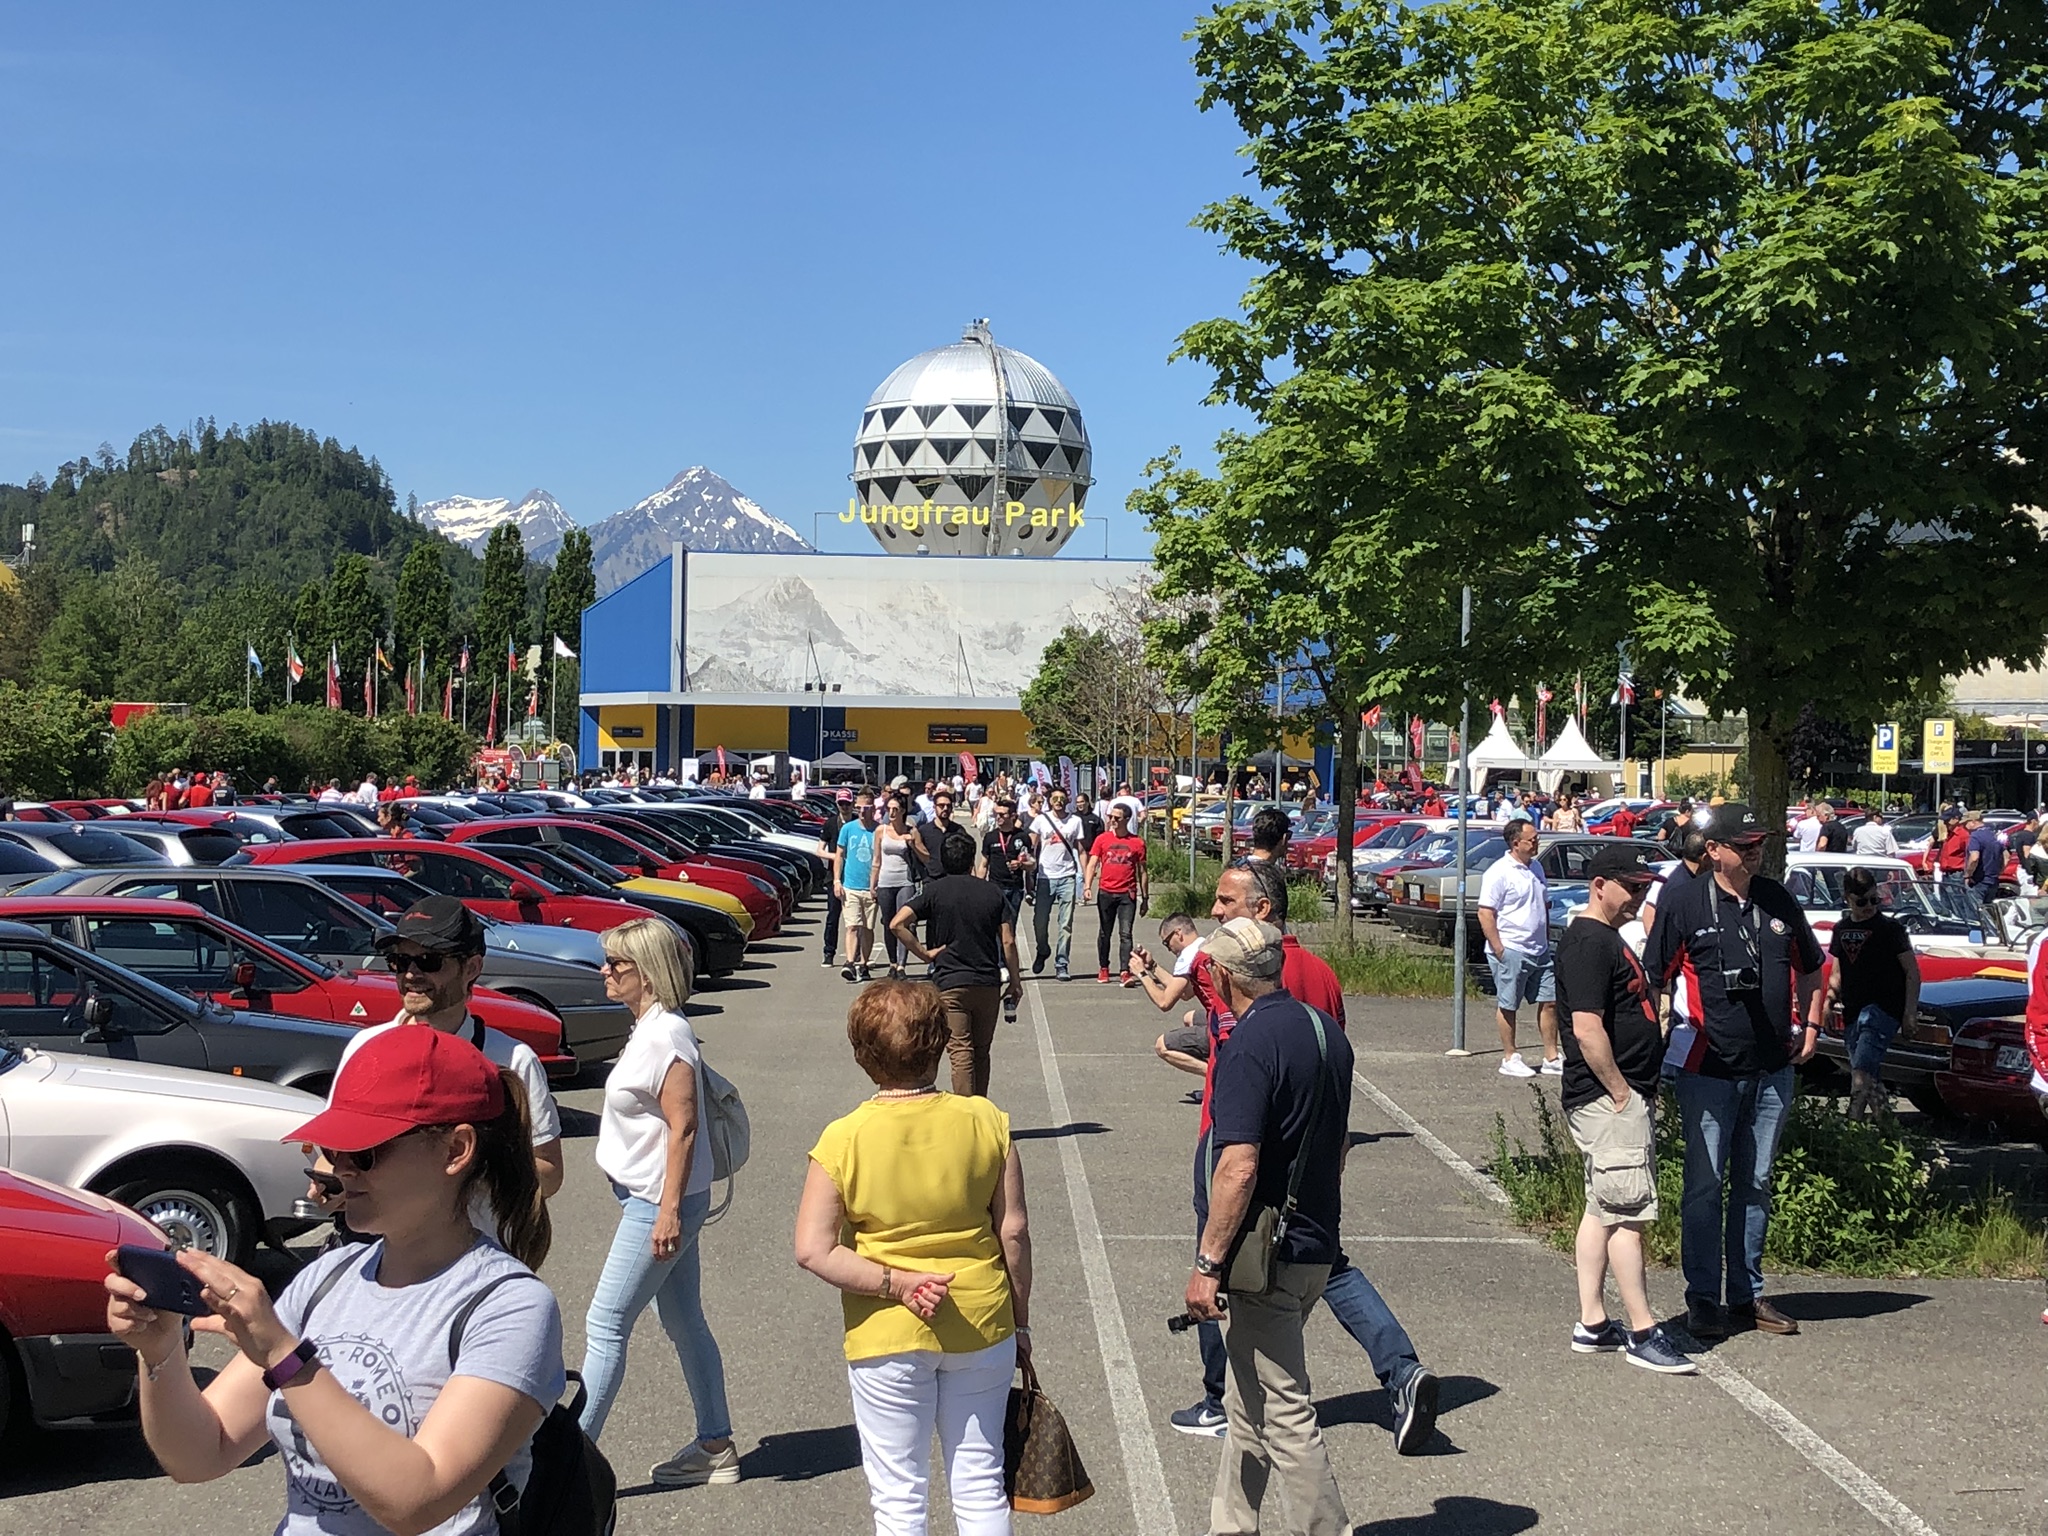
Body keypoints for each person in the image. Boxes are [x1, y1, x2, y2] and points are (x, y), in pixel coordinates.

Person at [106, 1025, 563, 1536]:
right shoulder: (327, 1277)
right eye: (333, 1147)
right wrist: (161, 1352)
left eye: (363, 1152)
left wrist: (284, 1355)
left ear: (455, 1150)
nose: (339, 1170)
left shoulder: (511, 1307)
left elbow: (417, 1500)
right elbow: (201, 1454)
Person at [1179, 865, 1437, 1454]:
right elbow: (1335, 1057)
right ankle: (1400, 1368)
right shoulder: (1322, 974)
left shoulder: (1235, 970)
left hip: (1243, 1140)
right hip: (1315, 1145)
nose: (1217, 912)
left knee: (1227, 1263)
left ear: (1261, 910)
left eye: (1227, 901)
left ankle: (1221, 1397)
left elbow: (1235, 1059)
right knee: (1324, 1260)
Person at [795, 981, 1032, 1536]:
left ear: (861, 1054)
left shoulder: (843, 1139)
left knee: (899, 1497)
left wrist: (896, 1283)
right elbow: (1013, 1232)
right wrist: (1019, 1323)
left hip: (887, 1330)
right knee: (979, 1481)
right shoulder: (986, 1121)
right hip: (981, 1317)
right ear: (941, 1043)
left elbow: (812, 1248)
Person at [1183, 918, 1355, 1535]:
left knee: (1283, 1413)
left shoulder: (1251, 1044)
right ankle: (1230, 1526)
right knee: (1246, 1401)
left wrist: (1207, 1264)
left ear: (1223, 974)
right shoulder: (1324, 1031)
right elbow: (1336, 1144)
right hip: (1313, 1240)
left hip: (1266, 1255)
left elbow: (1238, 1165)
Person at [1642, 802, 1823, 1341]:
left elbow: (1812, 968)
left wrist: (1810, 1028)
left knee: (1757, 1182)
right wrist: (1653, 1045)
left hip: (1772, 1069)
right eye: (1744, 844)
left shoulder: (1778, 899)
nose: (1755, 850)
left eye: (1759, 843)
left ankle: (1747, 1295)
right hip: (1708, 1068)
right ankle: (1703, 1297)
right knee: (1705, 1184)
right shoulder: (1684, 902)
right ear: (1713, 850)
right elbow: (1655, 980)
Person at [579, 918, 737, 1483]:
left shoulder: (666, 1035)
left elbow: (685, 1127)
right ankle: (715, 1444)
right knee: (683, 1318)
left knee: (605, 1325)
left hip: (657, 1204)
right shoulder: (650, 1028)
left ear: (645, 972)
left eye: (616, 964)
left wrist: (668, 1211)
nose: (605, 972)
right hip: (655, 1200)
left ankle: (567, 1466)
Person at [1556, 843, 1697, 1374]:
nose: (1639, 897)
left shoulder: (1607, 938)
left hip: (1618, 1094)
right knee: (1628, 1214)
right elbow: (1587, 1027)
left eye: (1644, 888)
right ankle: (1643, 1329)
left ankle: (1592, 1322)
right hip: (1609, 1099)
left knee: (1603, 1207)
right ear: (1600, 885)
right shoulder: (1589, 943)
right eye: (1631, 887)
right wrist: (1619, 1091)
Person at [892, 829, 1022, 1098]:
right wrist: (1015, 982)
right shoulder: (992, 892)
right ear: (970, 861)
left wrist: (924, 954)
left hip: (950, 981)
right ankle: (980, 1110)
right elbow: (1007, 941)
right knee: (981, 1050)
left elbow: (897, 924)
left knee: (960, 1049)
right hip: (986, 981)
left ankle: (965, 1113)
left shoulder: (934, 891)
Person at [1824, 868, 1919, 1121]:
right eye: (1862, 902)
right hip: (1854, 1008)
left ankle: (1851, 1125)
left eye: (1873, 900)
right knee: (1868, 1072)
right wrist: (1828, 1002)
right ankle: (1887, 1131)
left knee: (1861, 1071)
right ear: (1847, 898)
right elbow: (1837, 971)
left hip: (1883, 1009)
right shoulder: (1841, 929)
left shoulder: (1890, 929)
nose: (1869, 907)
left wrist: (1910, 1012)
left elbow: (1912, 972)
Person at [1478, 818, 1563, 1078]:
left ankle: (1551, 1056)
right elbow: (1485, 912)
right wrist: (1500, 949)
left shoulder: (1536, 867)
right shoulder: (1499, 872)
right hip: (1512, 948)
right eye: (1532, 839)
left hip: (1539, 949)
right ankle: (1510, 1056)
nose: (1537, 842)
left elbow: (1542, 907)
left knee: (1550, 1001)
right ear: (1516, 843)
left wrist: (1546, 938)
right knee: (1509, 1004)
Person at [1132, 912, 1220, 1076]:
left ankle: (1214, 1076)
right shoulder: (1205, 945)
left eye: (1167, 942)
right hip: (1228, 1015)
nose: (1169, 949)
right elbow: (1185, 993)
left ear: (1178, 933)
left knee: (1162, 1046)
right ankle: (1216, 1063)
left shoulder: (1187, 956)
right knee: (1189, 1017)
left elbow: (1164, 1002)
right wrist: (1152, 966)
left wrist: (1141, 974)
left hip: (1222, 1023)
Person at [1084, 802, 1149, 985]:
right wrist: (1087, 886)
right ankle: (1104, 968)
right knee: (1105, 932)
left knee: (1125, 934)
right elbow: (1092, 864)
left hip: (1127, 895)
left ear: (1127, 819)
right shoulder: (1102, 839)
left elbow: (1143, 871)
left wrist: (1145, 898)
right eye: (1110, 817)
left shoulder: (1137, 843)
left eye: (1116, 818)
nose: (1112, 820)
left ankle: (1124, 971)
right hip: (1106, 892)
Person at [1029, 788, 1085, 980]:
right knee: (1039, 921)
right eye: (1055, 798)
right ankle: (1042, 949)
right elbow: (1031, 846)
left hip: (1067, 876)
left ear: (1067, 800)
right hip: (1045, 877)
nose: (1058, 801)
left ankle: (1062, 963)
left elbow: (1082, 851)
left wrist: (1085, 880)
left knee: (1065, 924)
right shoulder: (1041, 820)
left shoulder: (1075, 821)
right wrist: (1027, 870)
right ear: (1049, 800)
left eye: (1062, 798)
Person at [837, 791, 882, 982]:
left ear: (873, 808)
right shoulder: (848, 829)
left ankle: (864, 963)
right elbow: (839, 855)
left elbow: (882, 858)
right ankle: (849, 962)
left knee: (868, 928)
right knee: (852, 926)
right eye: (860, 807)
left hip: (871, 887)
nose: (863, 811)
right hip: (850, 886)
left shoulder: (879, 830)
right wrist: (836, 881)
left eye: (867, 808)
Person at [875, 794, 921, 980]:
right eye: (889, 809)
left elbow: (923, 856)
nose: (891, 813)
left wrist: (913, 843)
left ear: (902, 811)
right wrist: (873, 885)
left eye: (895, 809)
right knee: (888, 923)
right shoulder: (881, 831)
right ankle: (892, 962)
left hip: (905, 881)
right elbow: (876, 861)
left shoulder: (911, 831)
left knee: (903, 923)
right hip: (885, 881)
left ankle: (902, 965)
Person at [979, 798, 1035, 929]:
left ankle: (1006, 950)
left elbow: (1032, 864)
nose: (998, 817)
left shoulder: (1022, 837)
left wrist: (1021, 864)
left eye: (1002, 815)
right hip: (995, 887)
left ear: (1013, 816)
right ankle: (998, 950)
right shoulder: (990, 837)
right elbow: (983, 864)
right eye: (996, 814)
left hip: (1015, 888)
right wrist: (979, 886)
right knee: (995, 927)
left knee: (1010, 928)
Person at [821, 791, 858, 968]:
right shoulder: (830, 824)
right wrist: (836, 857)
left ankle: (856, 954)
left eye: (847, 803)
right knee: (833, 917)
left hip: (856, 876)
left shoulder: (858, 822)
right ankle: (829, 952)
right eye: (841, 803)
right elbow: (819, 850)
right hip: (834, 877)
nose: (844, 807)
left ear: (852, 804)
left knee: (856, 920)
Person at [1965, 807, 2005, 906]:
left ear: (1973, 822)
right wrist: (1999, 871)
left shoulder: (1975, 836)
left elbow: (1974, 858)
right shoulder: (1994, 835)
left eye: (1966, 823)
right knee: (1988, 911)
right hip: (1993, 880)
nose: (1964, 826)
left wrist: (1968, 875)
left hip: (1979, 881)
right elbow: (2006, 856)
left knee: (1974, 912)